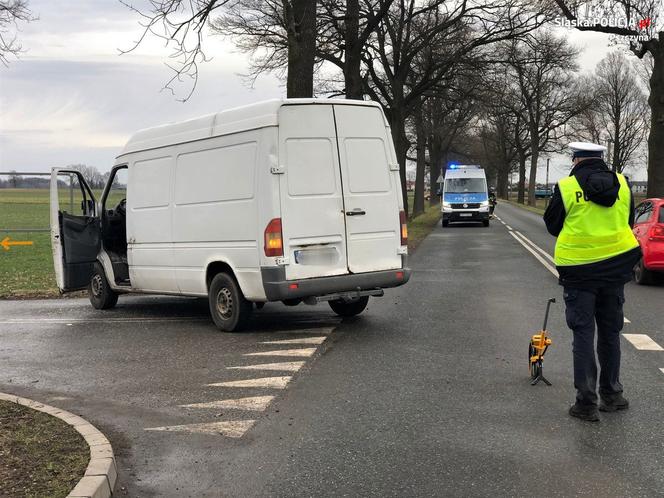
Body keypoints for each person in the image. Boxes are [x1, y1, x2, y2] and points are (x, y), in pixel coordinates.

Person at [544, 142, 641, 422]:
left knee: (583, 333)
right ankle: (613, 395)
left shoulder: (566, 186)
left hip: (580, 272)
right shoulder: (623, 184)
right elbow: (628, 220)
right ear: (601, 159)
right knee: (611, 332)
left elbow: (552, 225)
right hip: (616, 270)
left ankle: (586, 404)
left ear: (576, 160)